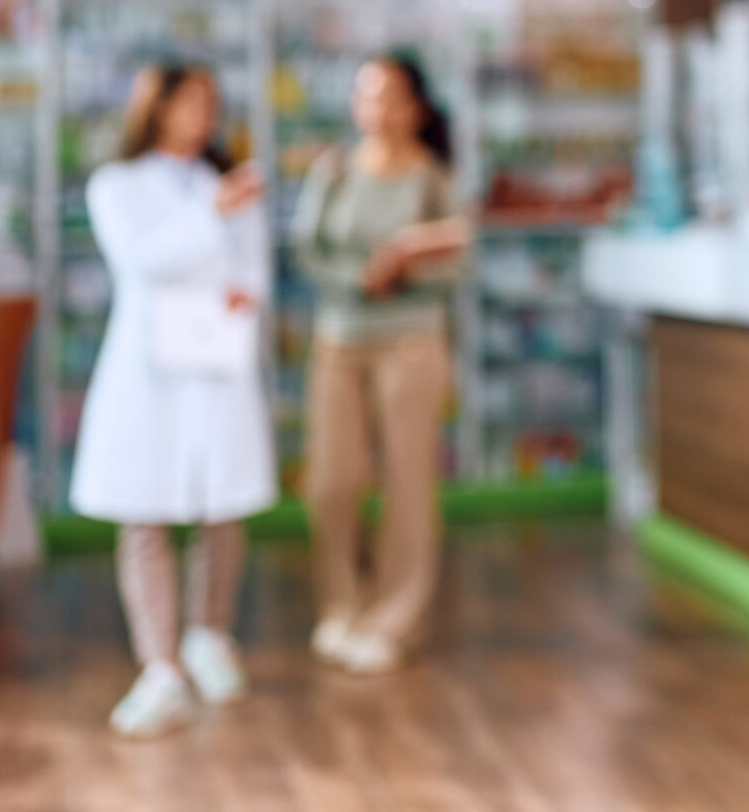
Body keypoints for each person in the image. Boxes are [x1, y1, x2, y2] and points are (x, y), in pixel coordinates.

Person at [72, 62, 272, 739]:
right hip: (149, 373)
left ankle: (208, 634)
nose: (202, 116)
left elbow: (252, 264)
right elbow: (144, 258)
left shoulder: (226, 182)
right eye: (188, 102)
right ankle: (160, 667)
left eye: (210, 103)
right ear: (155, 109)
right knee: (146, 511)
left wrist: (247, 286)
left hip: (216, 363)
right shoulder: (116, 185)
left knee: (223, 506)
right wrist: (211, 215)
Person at [291, 52, 469, 675]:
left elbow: (457, 258)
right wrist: (359, 278)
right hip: (339, 339)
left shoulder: (432, 177)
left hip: (411, 340)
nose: (379, 108)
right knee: (332, 482)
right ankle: (342, 605)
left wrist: (406, 268)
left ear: (416, 107)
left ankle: (394, 619)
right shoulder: (334, 171)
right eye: (367, 94)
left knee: (408, 484)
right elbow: (308, 251)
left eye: (391, 95)